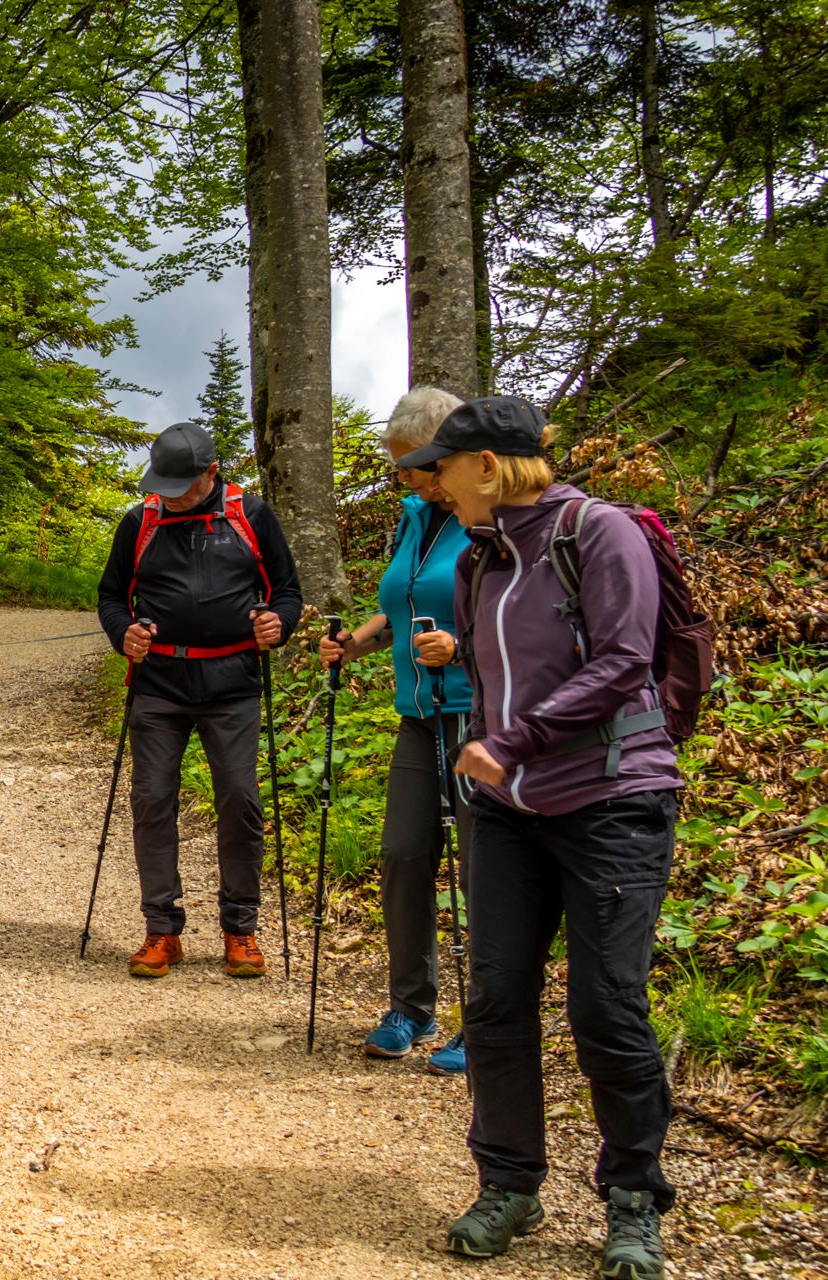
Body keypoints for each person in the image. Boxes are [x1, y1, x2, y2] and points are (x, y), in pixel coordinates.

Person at [401, 395, 680, 1280]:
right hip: (511, 812)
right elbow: (497, 676)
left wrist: (510, 742)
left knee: (607, 1007)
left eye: (444, 466)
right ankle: (510, 1183)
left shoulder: (599, 534)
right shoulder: (485, 558)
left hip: (612, 803)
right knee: (494, 999)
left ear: (487, 465)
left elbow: (624, 660)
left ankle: (633, 1201)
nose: (434, 483)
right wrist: (483, 745)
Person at [95, 421, 303, 979]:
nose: (168, 493)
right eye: (161, 483)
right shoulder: (140, 521)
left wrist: (277, 623)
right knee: (152, 800)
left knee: (239, 798)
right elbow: (112, 595)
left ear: (212, 473)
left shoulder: (250, 515)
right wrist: (124, 635)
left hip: (232, 681)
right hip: (159, 681)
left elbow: (287, 589)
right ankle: (161, 930)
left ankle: (241, 929)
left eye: (180, 484)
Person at [317, 386, 473, 1074]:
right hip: (418, 716)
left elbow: (522, 617)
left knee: (487, 870)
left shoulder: (489, 519)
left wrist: (462, 647)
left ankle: (490, 1018)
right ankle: (411, 1006)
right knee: (405, 857)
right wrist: (360, 641)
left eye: (411, 463)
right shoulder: (416, 516)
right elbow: (407, 603)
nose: (401, 476)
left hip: (479, 715)